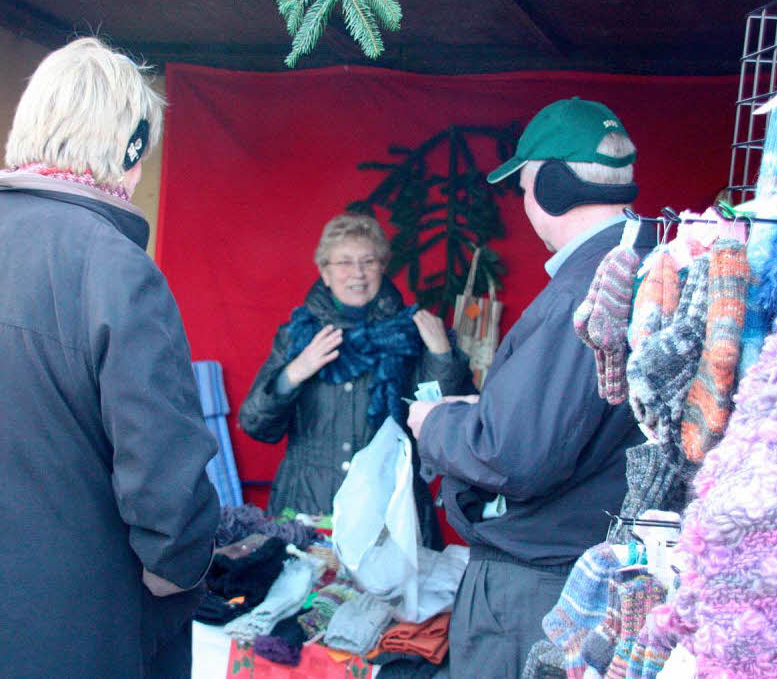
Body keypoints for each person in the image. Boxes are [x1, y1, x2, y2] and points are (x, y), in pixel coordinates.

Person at [0, 38, 219, 678]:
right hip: (76, 636)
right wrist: (174, 576)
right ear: (127, 148)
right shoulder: (117, 270)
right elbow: (167, 491)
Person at [406, 97, 653, 678]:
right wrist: (487, 408)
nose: (524, 206)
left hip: (537, 588)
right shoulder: (646, 262)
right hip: (591, 563)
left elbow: (513, 455)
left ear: (554, 188)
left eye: (524, 189)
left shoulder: (581, 294)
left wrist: (435, 425)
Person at [239, 212, 471, 543]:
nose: (358, 274)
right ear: (325, 272)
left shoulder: (413, 332)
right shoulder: (298, 335)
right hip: (308, 507)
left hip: (389, 512)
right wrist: (294, 373)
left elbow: (441, 422)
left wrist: (442, 357)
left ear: (383, 267)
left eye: (368, 261)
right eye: (344, 263)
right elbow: (255, 424)